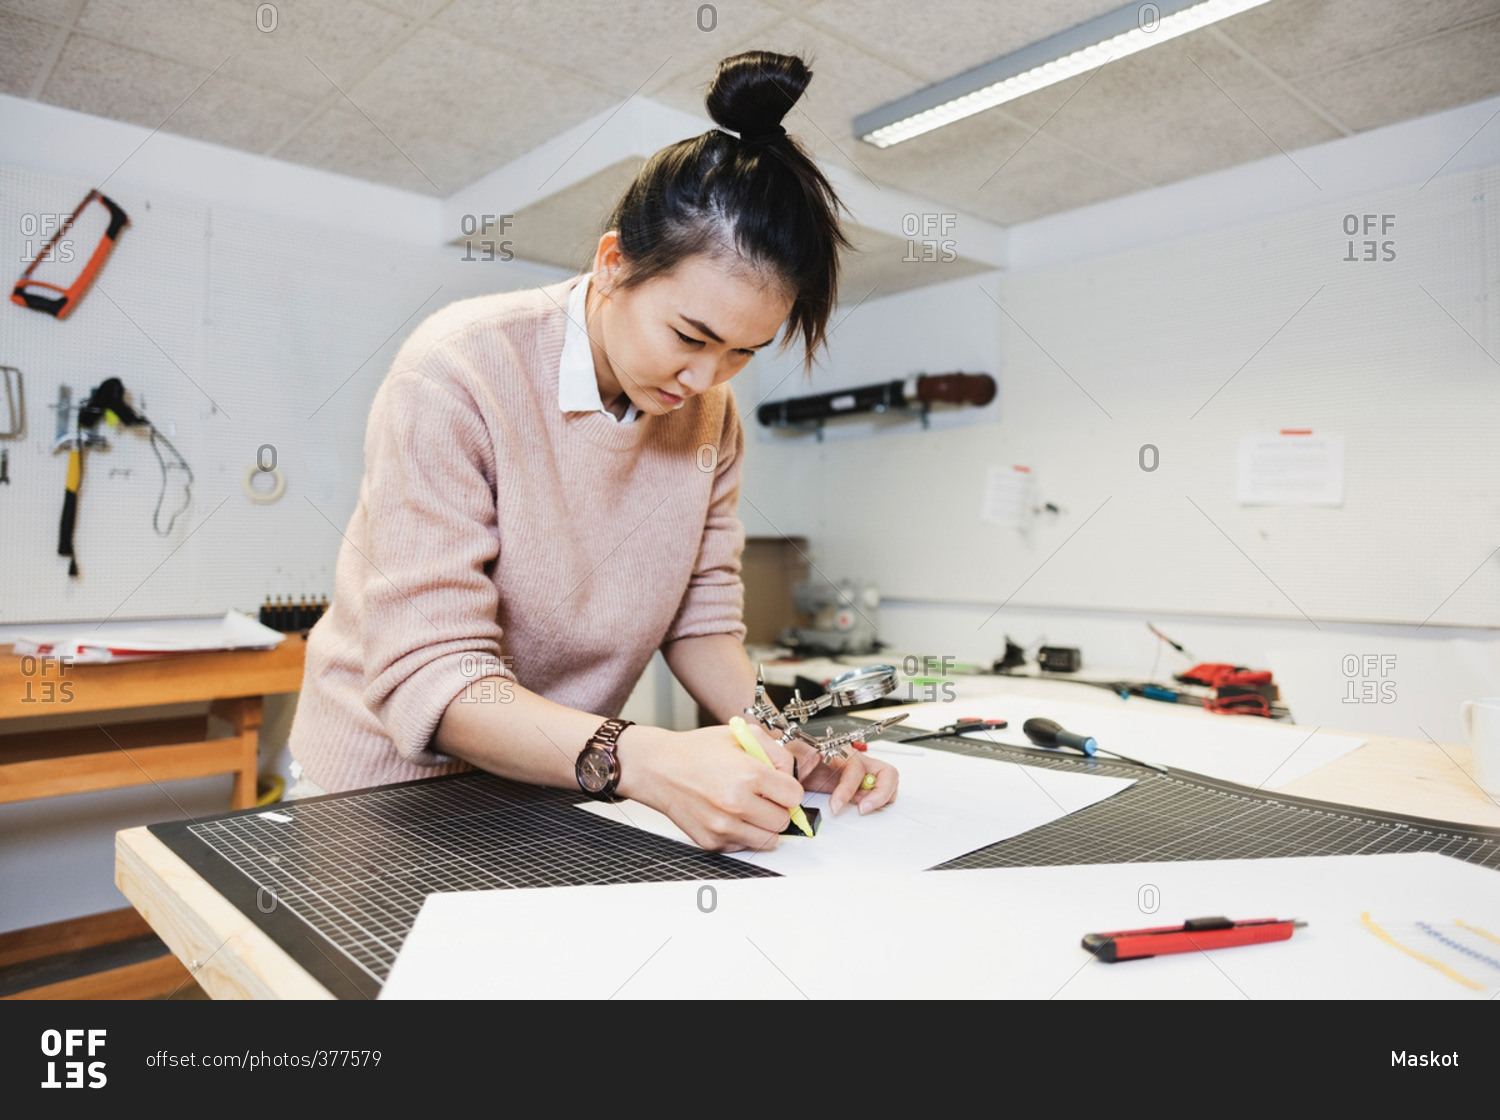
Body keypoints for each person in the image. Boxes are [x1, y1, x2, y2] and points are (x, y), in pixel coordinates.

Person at [284, 50, 898, 851]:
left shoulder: (712, 413)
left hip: (556, 780)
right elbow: (434, 674)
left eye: (744, 352)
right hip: (381, 791)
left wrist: (785, 733)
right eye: (690, 335)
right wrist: (641, 759)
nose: (706, 377)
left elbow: (703, 621)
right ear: (613, 267)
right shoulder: (460, 369)